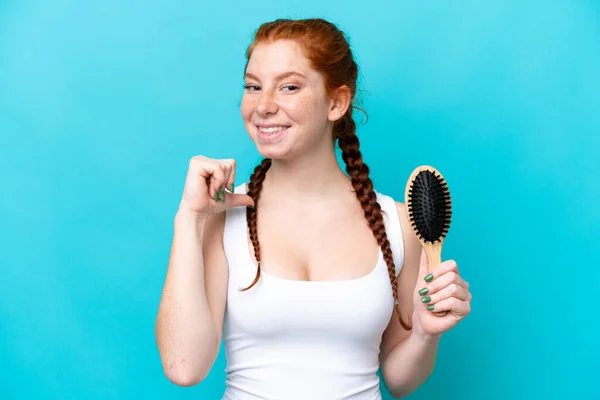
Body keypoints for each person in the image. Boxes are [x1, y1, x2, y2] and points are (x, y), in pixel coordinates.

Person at [155, 18, 472, 399]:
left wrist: (424, 334)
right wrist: (189, 219)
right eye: (253, 86)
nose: (264, 106)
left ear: (336, 102)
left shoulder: (398, 222)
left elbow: (400, 381)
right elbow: (184, 367)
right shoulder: (222, 217)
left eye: (289, 87)